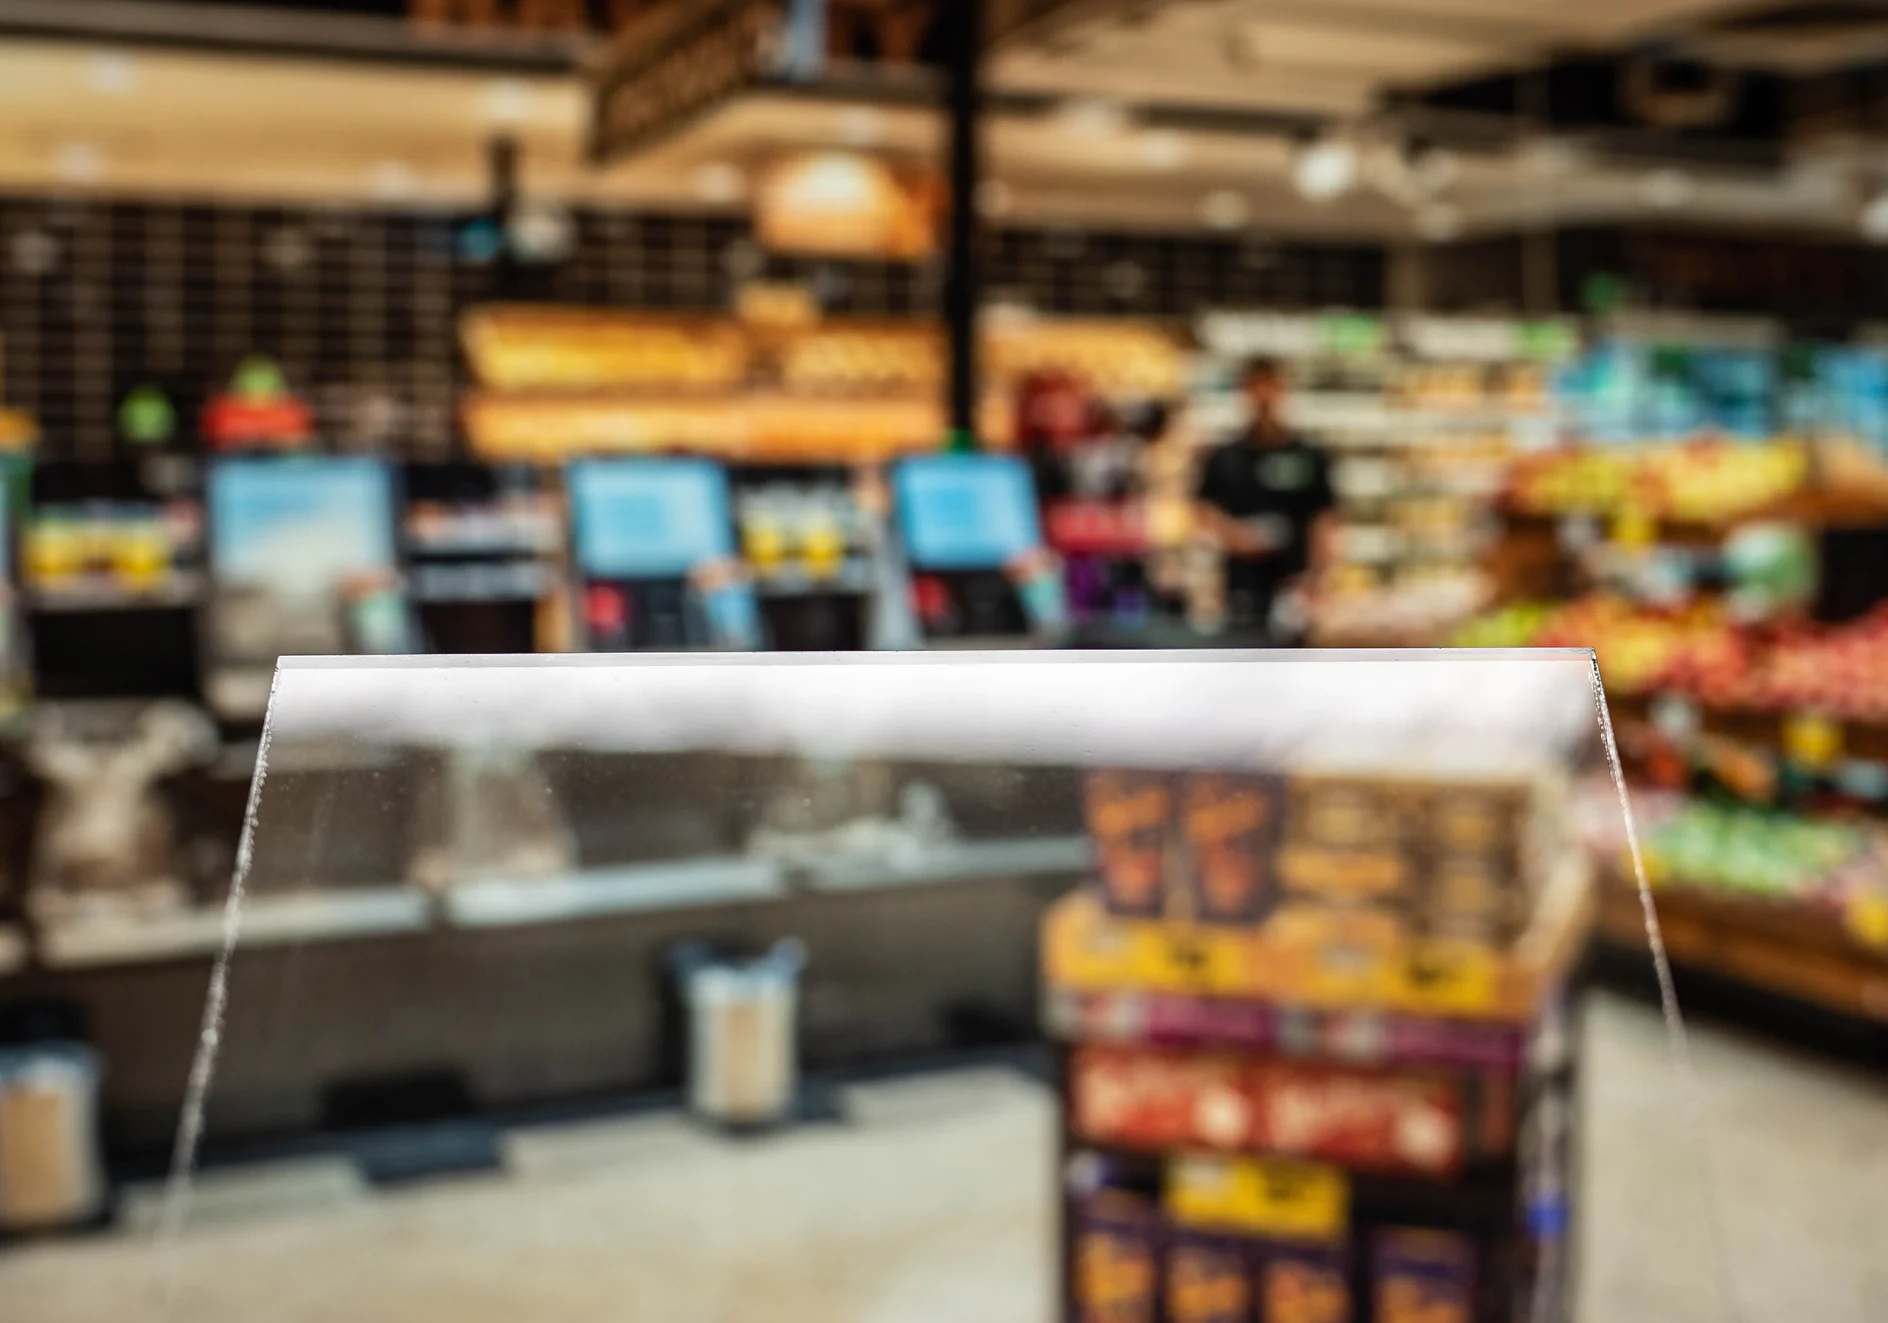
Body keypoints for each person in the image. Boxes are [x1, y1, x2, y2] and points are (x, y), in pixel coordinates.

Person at [1194, 358, 1336, 639]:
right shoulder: (1224, 457)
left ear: (1283, 391)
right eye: (1255, 387)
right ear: (1243, 392)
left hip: (1294, 587)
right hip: (1239, 587)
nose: (1263, 396)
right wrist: (1235, 535)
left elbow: (1325, 518)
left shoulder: (1308, 455)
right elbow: (1203, 509)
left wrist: (1318, 580)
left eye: (1269, 387)